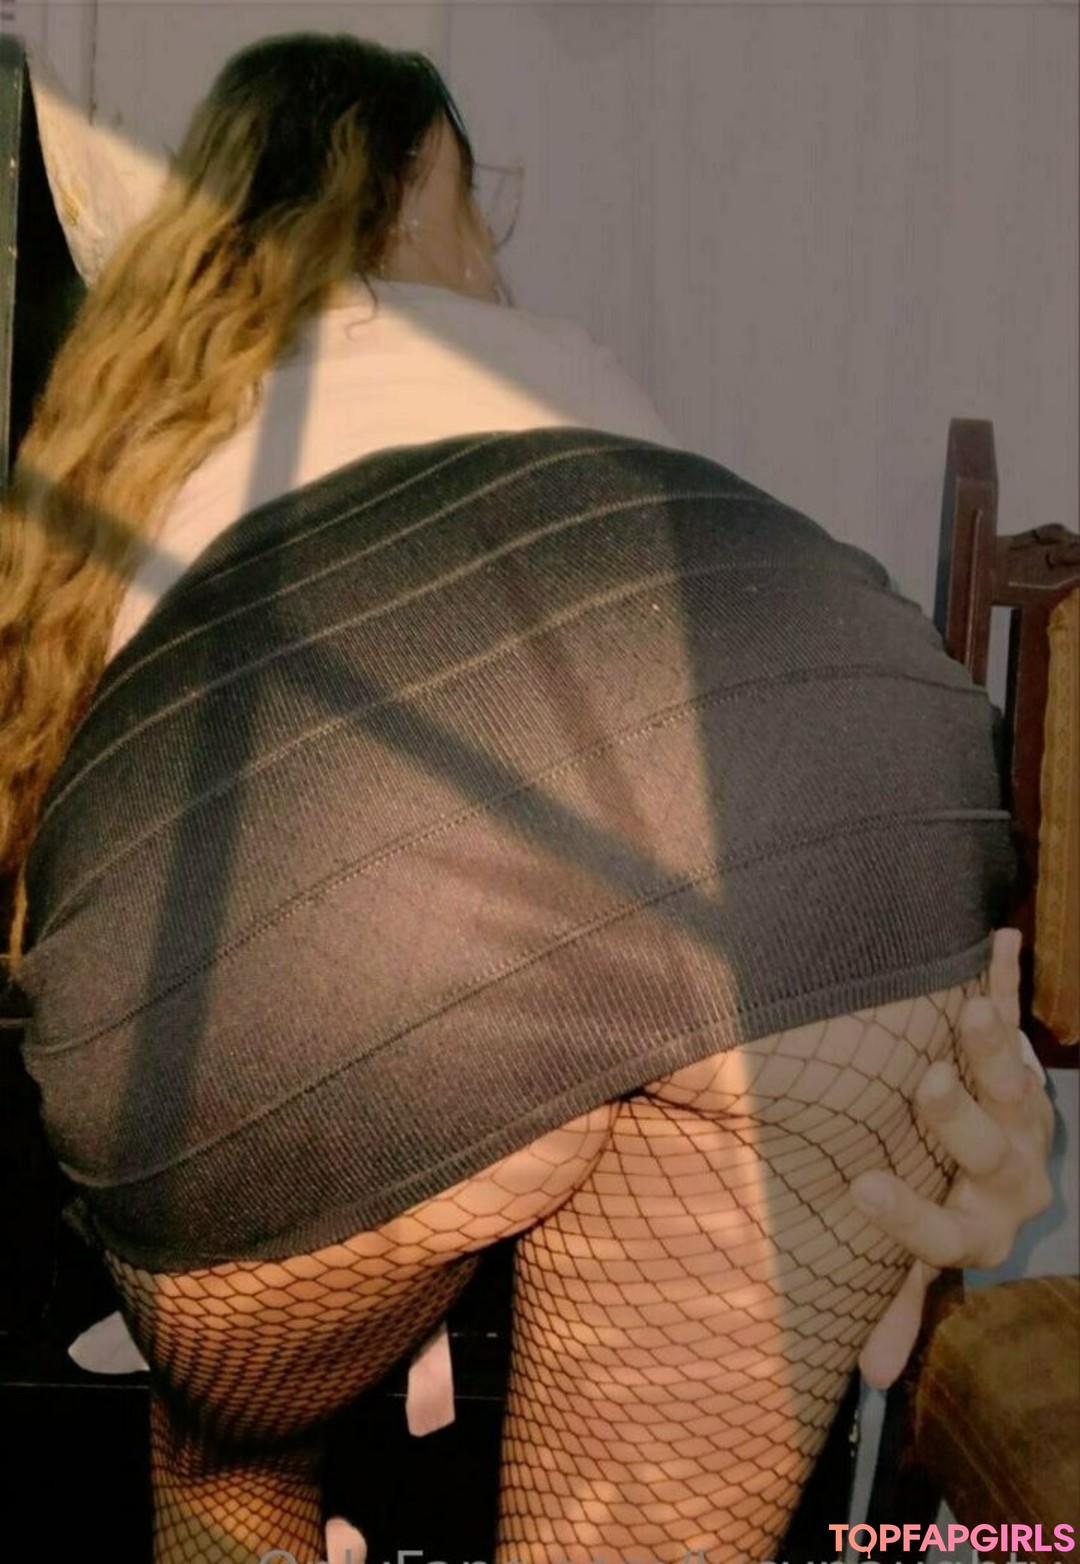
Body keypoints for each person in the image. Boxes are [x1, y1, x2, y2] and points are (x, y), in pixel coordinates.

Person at [0, 32, 1054, 1564]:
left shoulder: (129, 431)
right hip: (839, 796)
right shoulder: (554, 366)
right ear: (416, 181)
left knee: (229, 1469)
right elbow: (683, 717)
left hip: (295, 908)